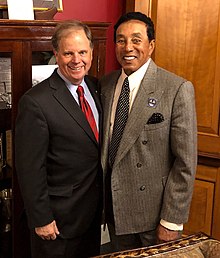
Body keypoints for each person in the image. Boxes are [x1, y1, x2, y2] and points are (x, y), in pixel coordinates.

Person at [99, 12, 197, 252]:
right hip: (114, 210)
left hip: (154, 219)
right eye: (121, 40)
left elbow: (185, 162)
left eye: (136, 39)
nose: (127, 47)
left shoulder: (176, 88)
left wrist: (172, 220)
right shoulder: (106, 85)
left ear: (151, 45)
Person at [15, 21, 103, 258]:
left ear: (91, 53)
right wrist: (41, 218)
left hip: (92, 217)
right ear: (56, 54)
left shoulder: (96, 87)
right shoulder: (36, 102)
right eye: (68, 53)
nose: (77, 60)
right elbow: (29, 168)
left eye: (82, 52)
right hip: (57, 224)